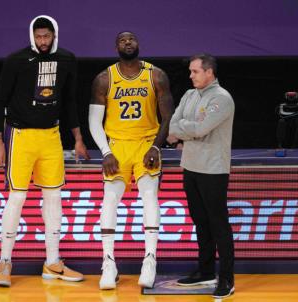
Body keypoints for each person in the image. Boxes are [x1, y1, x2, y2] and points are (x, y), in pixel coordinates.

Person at [0, 15, 90, 287]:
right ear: (31, 36)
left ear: (55, 34)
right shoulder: (16, 60)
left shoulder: (67, 59)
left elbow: (70, 100)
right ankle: (5, 262)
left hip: (51, 136)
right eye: (38, 37)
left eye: (47, 36)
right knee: (17, 198)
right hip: (20, 137)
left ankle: (53, 262)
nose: (43, 41)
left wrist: (78, 138)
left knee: (54, 197)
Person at [89, 31, 174, 289]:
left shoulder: (156, 75)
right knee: (110, 199)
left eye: (132, 39)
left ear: (139, 44)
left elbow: (169, 116)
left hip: (146, 144)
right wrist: (105, 152)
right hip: (117, 146)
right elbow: (94, 121)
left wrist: (156, 147)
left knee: (149, 197)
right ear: (116, 46)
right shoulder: (104, 78)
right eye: (123, 40)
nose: (128, 43)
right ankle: (108, 262)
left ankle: (150, 259)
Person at [168, 53, 235, 299]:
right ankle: (206, 271)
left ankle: (227, 279)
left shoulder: (222, 98)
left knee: (218, 225)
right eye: (191, 71)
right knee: (200, 222)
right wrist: (185, 129)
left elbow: (201, 128)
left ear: (209, 72)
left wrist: (183, 130)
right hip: (191, 167)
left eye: (195, 71)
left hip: (213, 170)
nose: (191, 75)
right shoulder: (189, 94)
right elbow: (173, 123)